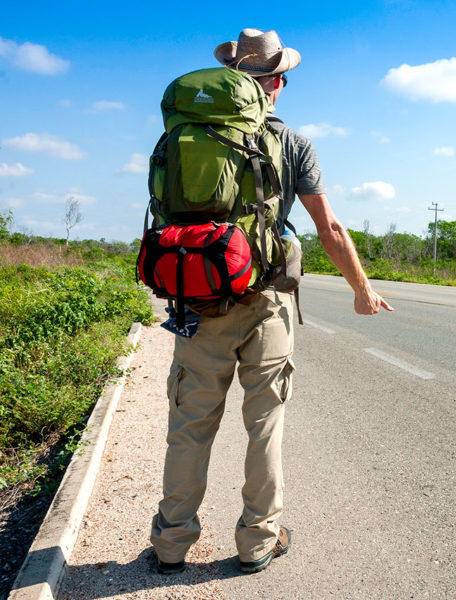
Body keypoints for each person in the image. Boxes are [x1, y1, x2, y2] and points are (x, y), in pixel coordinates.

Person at [149, 28, 393, 575]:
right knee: (265, 424)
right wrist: (362, 289)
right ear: (276, 82)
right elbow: (327, 226)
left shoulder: (179, 138)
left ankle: (170, 545)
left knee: (190, 424)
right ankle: (258, 540)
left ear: (234, 75)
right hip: (266, 300)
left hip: (197, 301)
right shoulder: (292, 143)